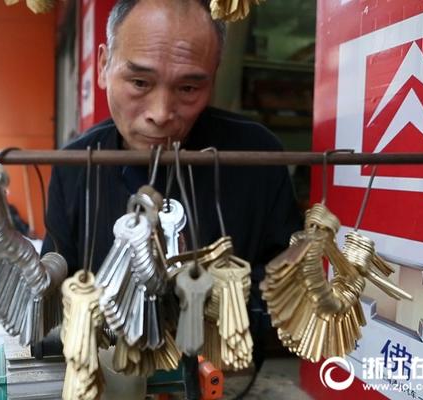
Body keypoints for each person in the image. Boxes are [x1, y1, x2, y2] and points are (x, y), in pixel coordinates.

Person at [42, 0, 302, 380]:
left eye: (189, 87)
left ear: (212, 77)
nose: (161, 112)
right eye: (139, 82)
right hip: (112, 376)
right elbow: (57, 288)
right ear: (103, 66)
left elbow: (285, 278)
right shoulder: (75, 167)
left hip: (220, 376)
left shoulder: (256, 157)